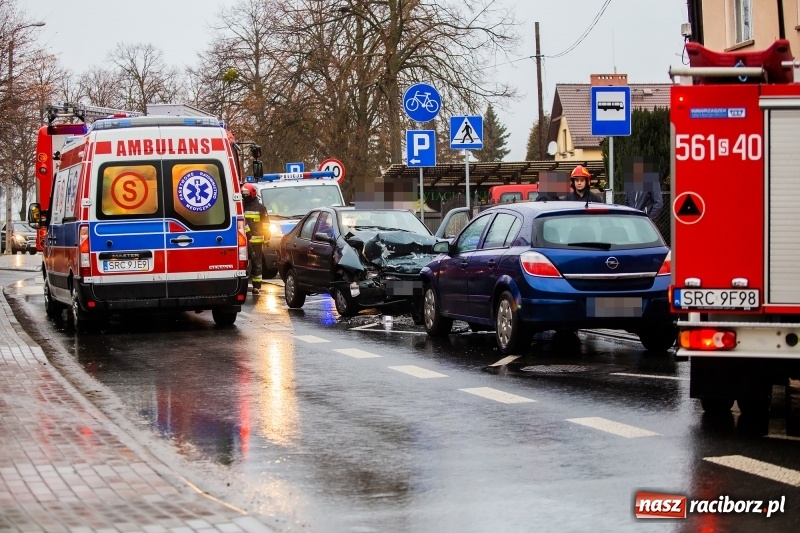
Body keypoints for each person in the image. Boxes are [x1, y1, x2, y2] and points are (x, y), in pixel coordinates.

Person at [241, 183, 269, 295]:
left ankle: (257, 287)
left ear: (252, 193)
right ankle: (243, 286)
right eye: (243, 194)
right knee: (244, 264)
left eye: (246, 194)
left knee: (257, 264)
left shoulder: (260, 207)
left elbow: (266, 223)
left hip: (256, 241)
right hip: (244, 241)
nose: (245, 196)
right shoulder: (240, 206)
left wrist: (267, 237)